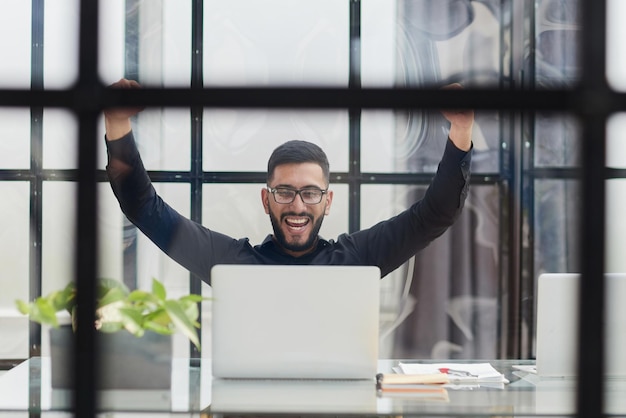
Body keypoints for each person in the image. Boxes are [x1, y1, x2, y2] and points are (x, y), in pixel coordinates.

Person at [104, 78, 474, 284]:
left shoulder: (357, 259)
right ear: (266, 200)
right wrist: (117, 124)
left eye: (311, 193)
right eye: (285, 192)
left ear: (328, 202)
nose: (297, 205)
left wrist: (461, 129)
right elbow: (144, 209)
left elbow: (436, 214)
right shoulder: (230, 262)